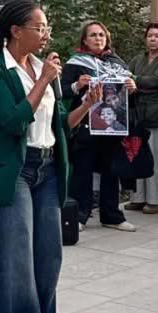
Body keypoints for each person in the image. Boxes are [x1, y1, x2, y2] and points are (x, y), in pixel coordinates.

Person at [0, 0, 100, 313]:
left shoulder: (39, 68)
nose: (46, 34)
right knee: (15, 271)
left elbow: (57, 120)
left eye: (47, 27)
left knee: (47, 265)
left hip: (46, 171)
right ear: (15, 31)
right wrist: (45, 79)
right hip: (13, 173)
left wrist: (86, 106)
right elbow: (11, 121)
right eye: (39, 27)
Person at [63, 21, 136, 232]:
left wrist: (132, 86)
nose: (98, 39)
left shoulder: (117, 62)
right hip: (86, 125)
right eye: (93, 35)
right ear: (84, 40)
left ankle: (111, 215)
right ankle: (79, 215)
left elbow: (127, 89)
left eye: (101, 35)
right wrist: (78, 85)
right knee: (83, 172)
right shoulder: (76, 63)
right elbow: (61, 90)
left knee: (111, 171)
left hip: (112, 125)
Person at [128, 22, 158, 215]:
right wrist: (137, 83)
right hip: (138, 112)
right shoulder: (138, 58)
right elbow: (126, 76)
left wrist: (135, 82)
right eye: (150, 35)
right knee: (136, 154)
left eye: (157, 36)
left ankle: (155, 200)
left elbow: (157, 80)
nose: (153, 39)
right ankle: (137, 198)